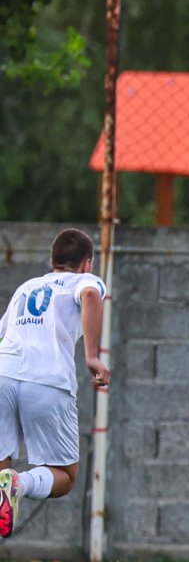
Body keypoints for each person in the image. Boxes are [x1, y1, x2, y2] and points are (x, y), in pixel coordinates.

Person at [0, 228, 110, 539]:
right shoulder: (85, 281)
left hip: (4, 373)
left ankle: (6, 487)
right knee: (65, 475)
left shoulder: (25, 288)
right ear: (87, 263)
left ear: (53, 260)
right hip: (46, 381)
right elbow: (90, 295)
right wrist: (92, 357)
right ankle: (19, 484)